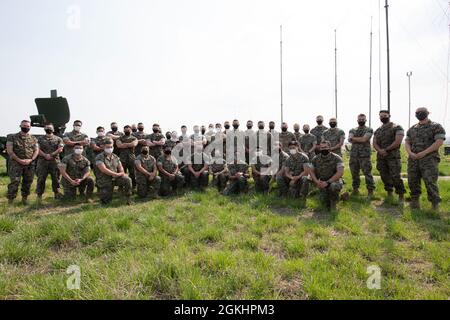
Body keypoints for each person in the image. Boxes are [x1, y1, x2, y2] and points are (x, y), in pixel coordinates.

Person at [405, 107, 446, 210]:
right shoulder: (412, 129)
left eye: (422, 112)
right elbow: (407, 142)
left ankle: (434, 205)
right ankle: (415, 202)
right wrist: (410, 153)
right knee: (412, 180)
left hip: (429, 159)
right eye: (417, 112)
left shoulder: (436, 126)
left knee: (430, 181)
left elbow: (439, 142)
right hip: (413, 159)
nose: (419, 114)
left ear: (428, 113)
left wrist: (424, 153)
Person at [373, 110, 406, 203]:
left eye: (385, 115)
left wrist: (386, 150)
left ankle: (401, 195)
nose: (383, 117)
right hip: (381, 157)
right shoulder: (378, 130)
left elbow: (398, 141)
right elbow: (374, 142)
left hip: (393, 156)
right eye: (381, 116)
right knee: (384, 176)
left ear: (389, 116)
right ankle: (389, 193)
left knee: (396, 176)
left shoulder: (397, 127)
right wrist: (380, 151)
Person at [6, 120, 39, 204]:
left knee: (28, 181)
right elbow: (10, 151)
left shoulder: (33, 138)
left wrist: (31, 160)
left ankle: (24, 199)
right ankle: (10, 200)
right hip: (16, 163)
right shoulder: (12, 137)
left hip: (29, 164)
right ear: (20, 126)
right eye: (24, 125)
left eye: (28, 126)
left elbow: (36, 150)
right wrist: (19, 160)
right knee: (15, 181)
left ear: (30, 127)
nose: (26, 127)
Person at [95, 139, 133, 205]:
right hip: (105, 180)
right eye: (107, 147)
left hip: (116, 178)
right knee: (106, 202)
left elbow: (121, 168)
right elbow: (103, 169)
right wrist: (115, 174)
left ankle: (128, 198)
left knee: (127, 179)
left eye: (111, 147)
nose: (109, 148)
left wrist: (121, 174)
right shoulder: (99, 157)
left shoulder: (116, 157)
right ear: (103, 147)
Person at [310, 140, 344, 211]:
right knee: (324, 202)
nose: (323, 149)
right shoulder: (315, 159)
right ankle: (341, 197)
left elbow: (340, 172)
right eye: (322, 148)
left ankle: (333, 204)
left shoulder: (337, 158)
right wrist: (317, 182)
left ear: (329, 147)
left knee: (333, 186)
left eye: (325, 147)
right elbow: (311, 171)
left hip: (334, 181)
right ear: (320, 148)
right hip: (321, 182)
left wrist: (328, 182)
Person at [348, 114, 375, 197]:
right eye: (359, 119)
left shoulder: (369, 129)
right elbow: (349, 139)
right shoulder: (352, 129)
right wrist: (358, 139)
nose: (361, 120)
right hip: (354, 155)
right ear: (357, 120)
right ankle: (355, 189)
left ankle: (370, 191)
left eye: (363, 119)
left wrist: (354, 139)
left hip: (365, 155)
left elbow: (364, 139)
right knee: (354, 173)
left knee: (367, 173)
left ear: (365, 120)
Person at [36, 123, 64, 201]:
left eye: (50, 128)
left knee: (56, 179)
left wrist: (51, 154)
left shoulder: (58, 139)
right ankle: (39, 196)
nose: (49, 129)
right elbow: (37, 149)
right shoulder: (39, 139)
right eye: (47, 128)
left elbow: (60, 149)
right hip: (42, 162)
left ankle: (57, 194)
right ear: (44, 129)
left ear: (53, 129)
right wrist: (45, 155)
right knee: (41, 179)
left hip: (54, 162)